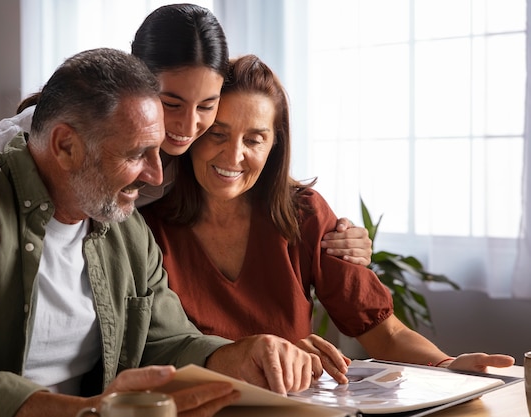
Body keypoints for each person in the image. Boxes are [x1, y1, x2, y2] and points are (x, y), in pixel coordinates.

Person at [0, 48, 320, 417]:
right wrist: (86, 412)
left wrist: (238, 355)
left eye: (158, 151)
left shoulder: (126, 228)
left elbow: (171, 341)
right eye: (137, 154)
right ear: (66, 147)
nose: (157, 174)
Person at [139, 54, 515, 384]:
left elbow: (382, 333)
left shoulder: (304, 214)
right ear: (194, 131)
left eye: (254, 139)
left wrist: (449, 367)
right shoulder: (146, 227)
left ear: (274, 145)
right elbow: (155, 353)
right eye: (218, 134)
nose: (233, 155)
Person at [0, 3, 371, 267]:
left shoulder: (193, 148)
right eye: (171, 105)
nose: (188, 128)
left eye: (206, 107)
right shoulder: (50, 130)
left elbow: (245, 165)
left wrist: (341, 235)